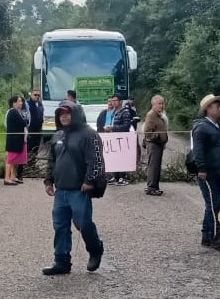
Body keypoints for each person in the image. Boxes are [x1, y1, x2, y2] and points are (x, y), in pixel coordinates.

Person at [42, 101, 106, 275]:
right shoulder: (58, 135)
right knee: (60, 226)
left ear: (76, 114)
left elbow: (96, 161)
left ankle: (95, 249)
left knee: (83, 224)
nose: (64, 116)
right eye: (60, 113)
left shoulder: (89, 134)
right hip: (60, 190)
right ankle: (61, 261)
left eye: (67, 113)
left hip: (80, 190)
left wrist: (89, 181)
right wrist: (48, 181)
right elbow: (52, 160)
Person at [192, 94, 220, 250]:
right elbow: (198, 149)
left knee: (214, 204)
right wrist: (201, 168)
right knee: (212, 204)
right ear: (208, 109)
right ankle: (216, 236)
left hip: (219, 170)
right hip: (208, 172)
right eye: (217, 106)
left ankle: (206, 235)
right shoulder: (201, 127)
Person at [143, 95, 169, 196]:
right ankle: (151, 187)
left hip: (158, 144)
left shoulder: (159, 115)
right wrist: (158, 136)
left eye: (162, 103)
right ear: (153, 104)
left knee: (156, 166)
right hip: (153, 144)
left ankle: (154, 186)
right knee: (153, 166)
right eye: (159, 103)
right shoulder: (151, 115)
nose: (161, 106)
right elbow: (147, 132)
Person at [111, 98, 138, 185]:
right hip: (114, 137)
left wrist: (113, 128)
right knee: (114, 158)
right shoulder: (113, 112)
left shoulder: (125, 112)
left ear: (120, 102)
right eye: (112, 100)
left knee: (122, 158)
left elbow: (126, 125)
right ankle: (116, 177)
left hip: (122, 138)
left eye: (115, 100)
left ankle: (122, 177)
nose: (113, 102)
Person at [4, 95, 28, 185]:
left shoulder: (17, 112)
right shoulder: (12, 112)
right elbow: (23, 123)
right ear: (14, 103)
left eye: (21, 101)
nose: (21, 103)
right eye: (19, 101)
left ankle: (13, 176)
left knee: (15, 161)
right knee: (10, 160)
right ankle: (7, 178)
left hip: (17, 139)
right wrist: (25, 121)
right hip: (13, 140)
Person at [26, 88, 45, 160]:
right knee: (28, 150)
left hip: (38, 131)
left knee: (36, 149)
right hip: (30, 131)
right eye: (35, 95)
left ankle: (33, 166)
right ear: (31, 95)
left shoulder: (40, 104)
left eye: (38, 95)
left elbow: (41, 115)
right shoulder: (27, 104)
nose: (37, 96)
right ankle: (26, 166)